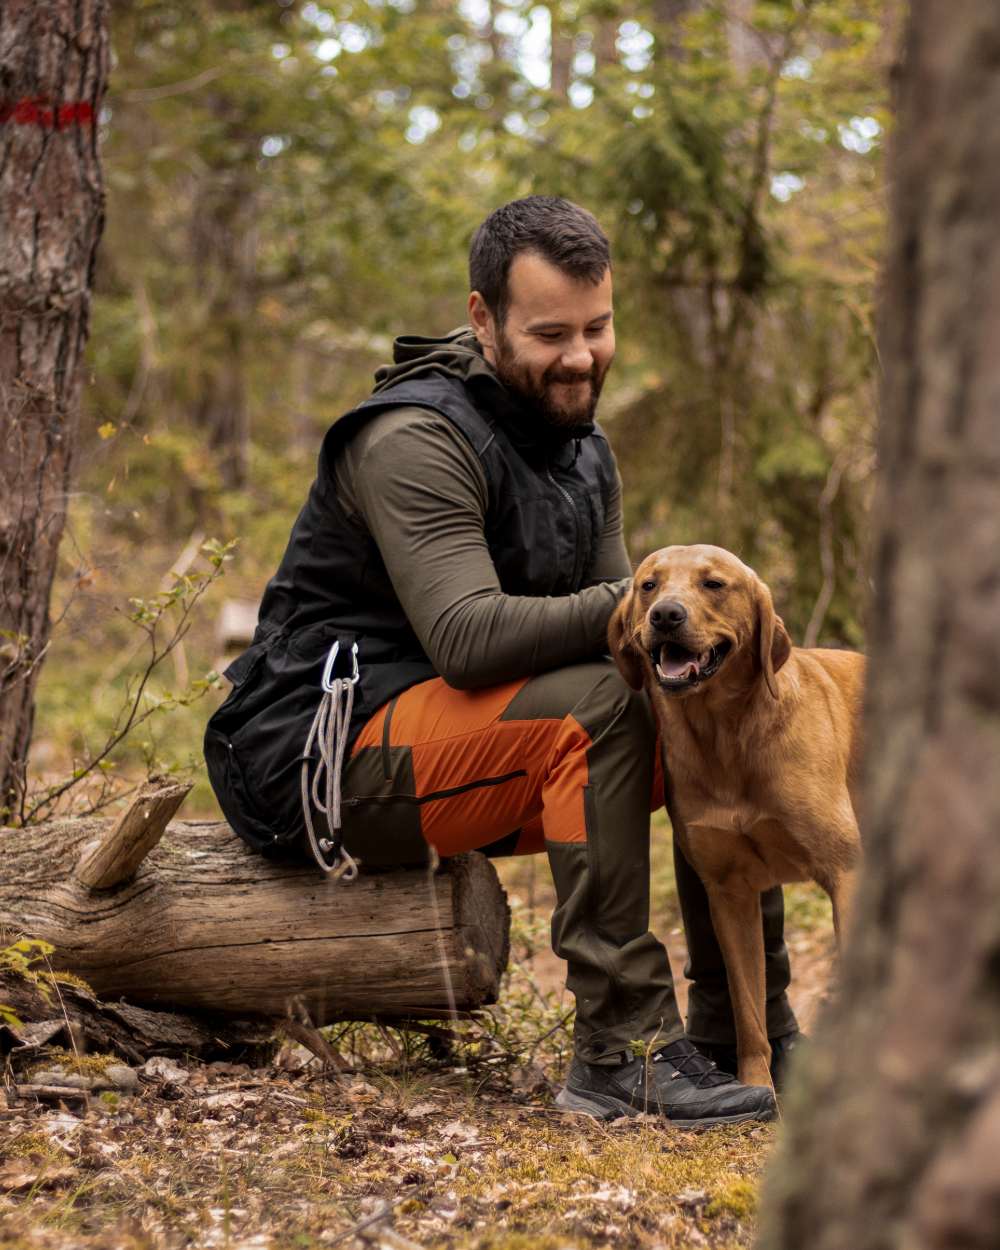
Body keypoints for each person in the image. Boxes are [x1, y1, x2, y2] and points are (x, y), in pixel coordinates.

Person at [204, 196, 800, 1125]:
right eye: (550, 333)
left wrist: (680, 628)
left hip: (451, 734)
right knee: (602, 706)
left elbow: (637, 647)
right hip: (323, 756)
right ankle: (622, 1048)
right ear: (483, 319)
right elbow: (470, 638)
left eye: (598, 328)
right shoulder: (411, 438)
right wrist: (659, 600)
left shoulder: (580, 442)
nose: (580, 356)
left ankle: (746, 1027)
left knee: (690, 689)